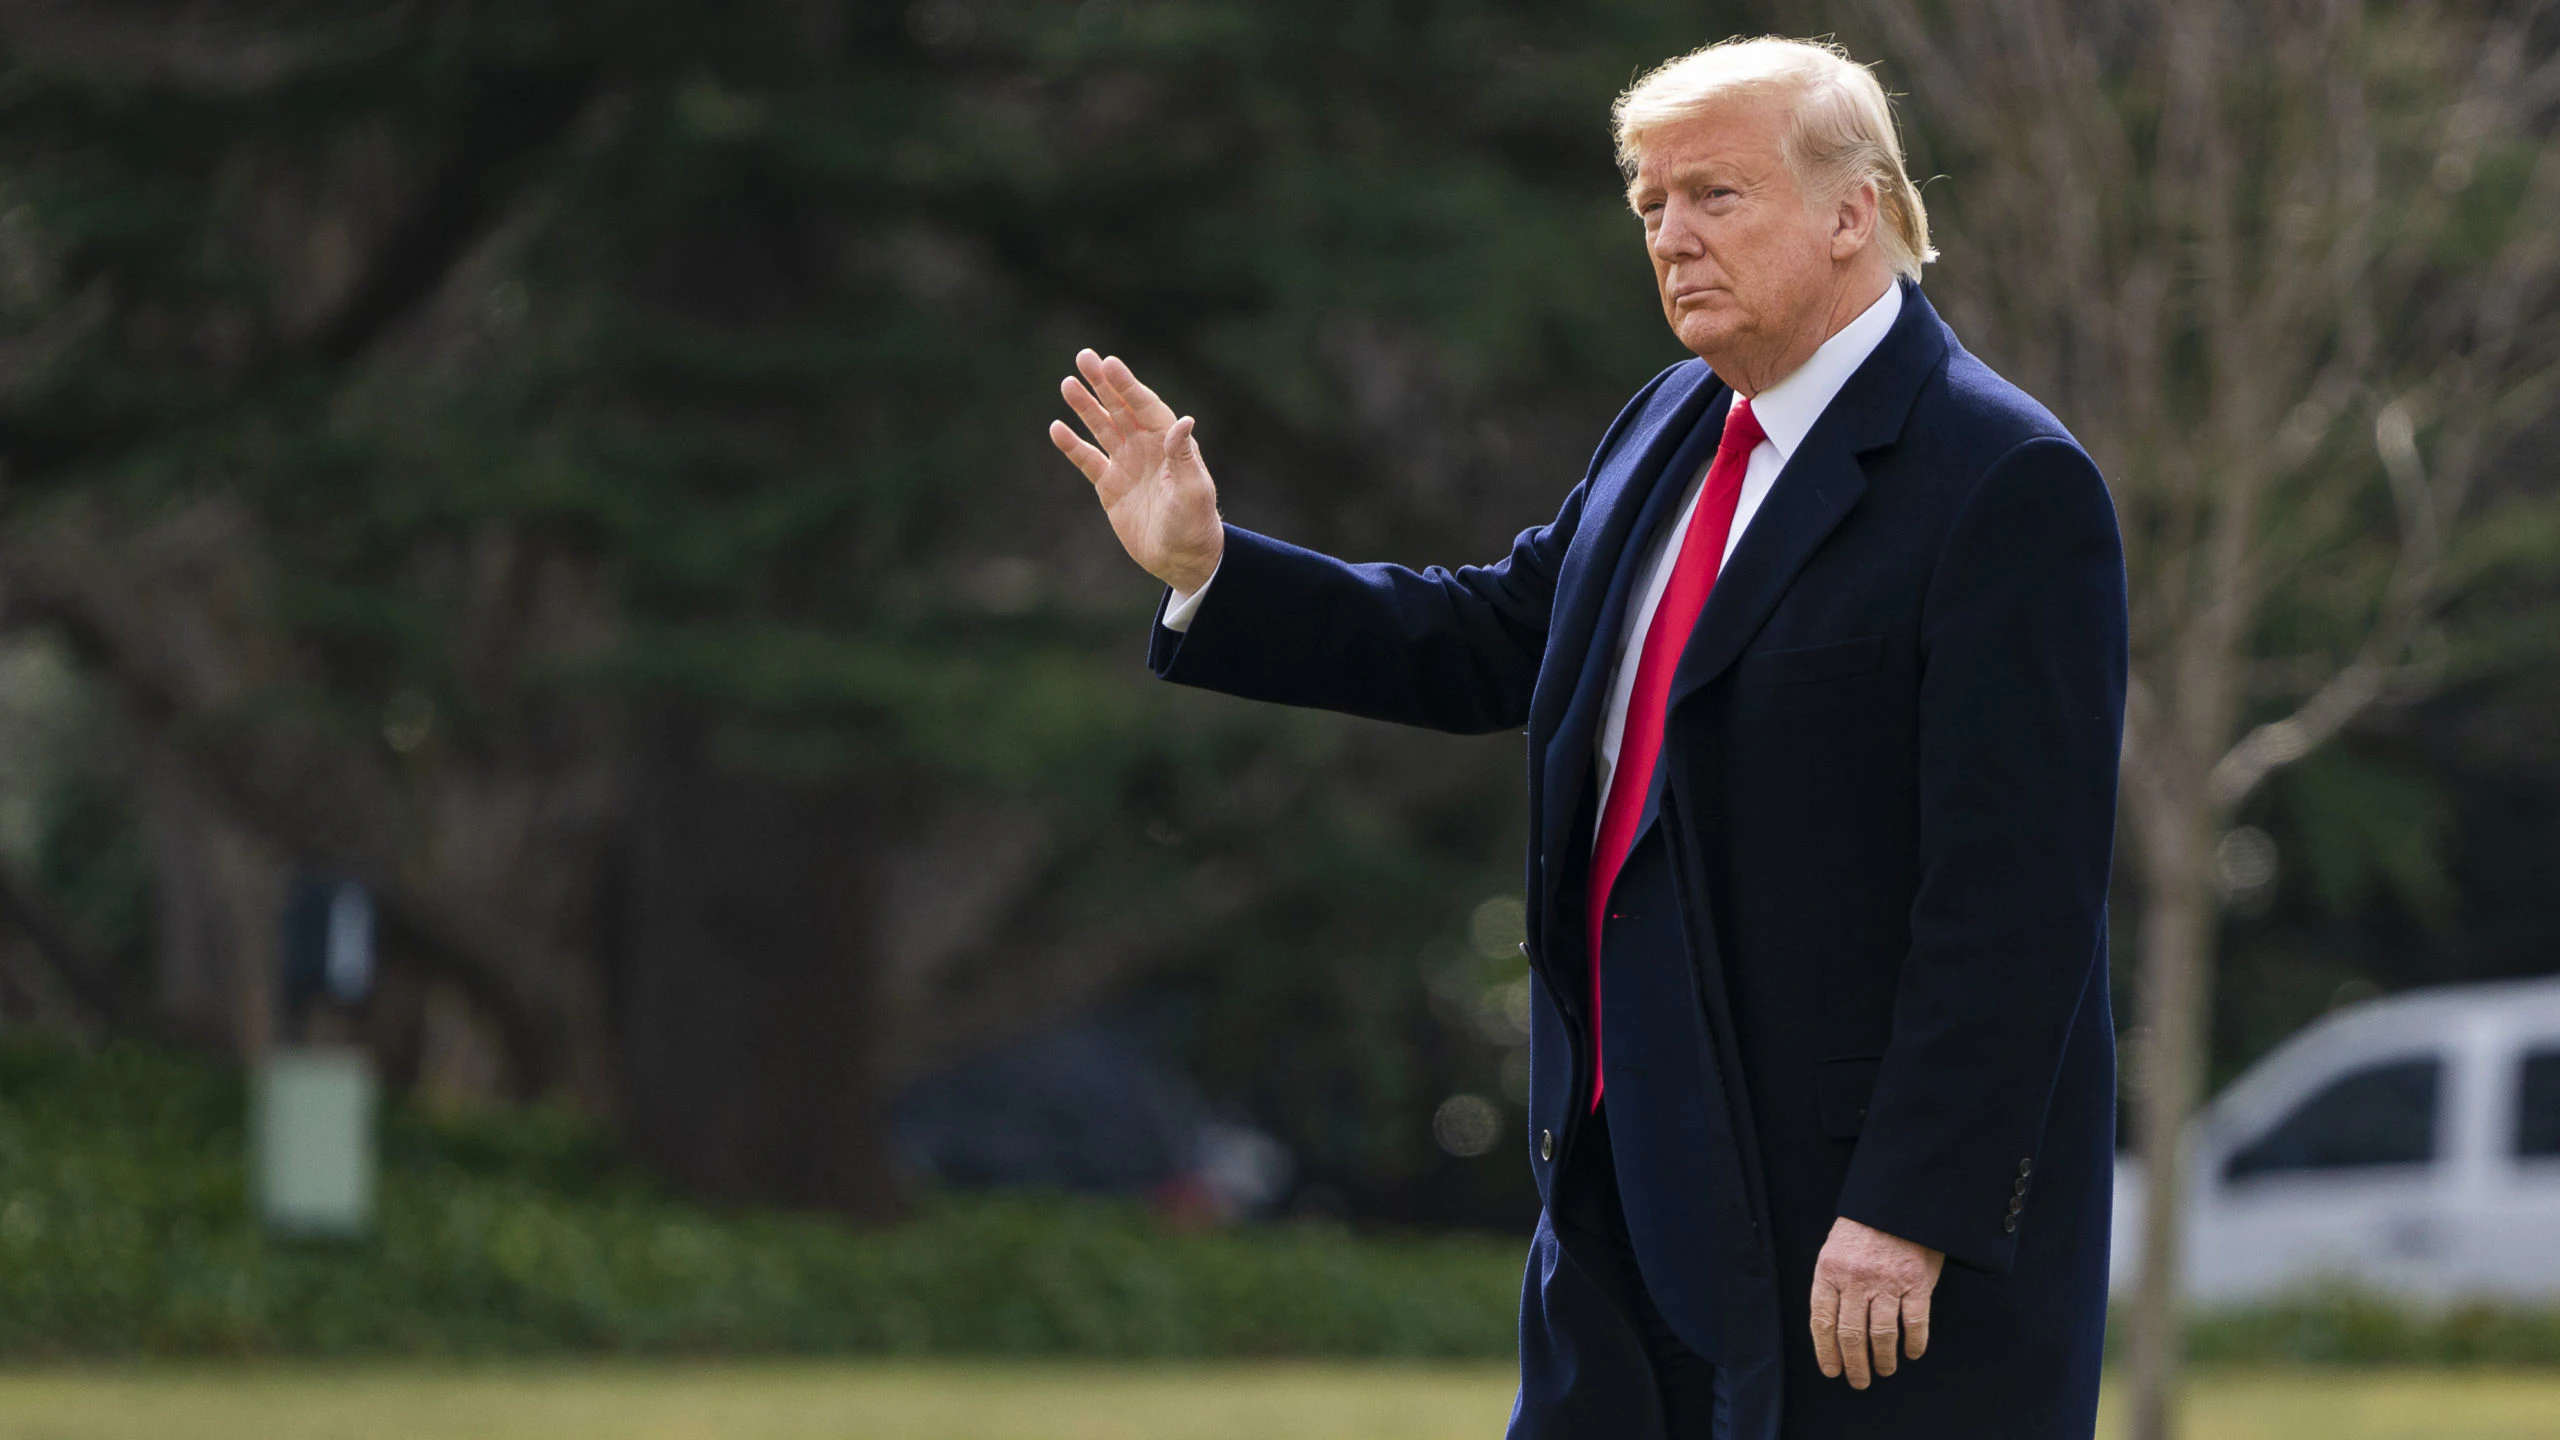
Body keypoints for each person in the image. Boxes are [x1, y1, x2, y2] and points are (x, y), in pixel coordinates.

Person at [1048, 35, 2126, 1440]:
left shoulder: (2005, 481)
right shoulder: (1675, 422)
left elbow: (2015, 904)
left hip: (1851, 1239)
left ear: (1853, 212)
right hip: (1618, 1195)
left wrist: (1908, 1207)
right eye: (1650, 206)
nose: (1671, 237)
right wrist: (1211, 568)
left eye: (1715, 197)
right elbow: (1499, 636)